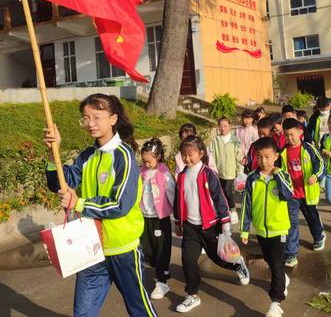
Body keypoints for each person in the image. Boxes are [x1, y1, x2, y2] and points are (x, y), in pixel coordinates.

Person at [44, 94, 158, 317]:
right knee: (83, 313)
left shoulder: (123, 156)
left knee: (139, 310)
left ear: (113, 119)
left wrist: (79, 203)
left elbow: (120, 204)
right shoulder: (87, 156)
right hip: (91, 250)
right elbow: (60, 182)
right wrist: (52, 151)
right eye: (86, 118)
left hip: (123, 250)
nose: (90, 124)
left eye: (97, 117)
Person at [174, 135, 250, 313]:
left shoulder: (208, 174)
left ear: (201, 153)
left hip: (210, 225)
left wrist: (225, 221)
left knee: (219, 258)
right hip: (190, 227)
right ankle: (192, 295)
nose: (187, 158)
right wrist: (178, 221)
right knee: (187, 259)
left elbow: (219, 197)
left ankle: (238, 265)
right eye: (184, 154)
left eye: (191, 154)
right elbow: (179, 200)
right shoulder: (182, 176)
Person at [240, 137, 293, 317]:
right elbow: (246, 204)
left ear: (276, 156)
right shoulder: (252, 178)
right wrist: (245, 229)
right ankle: (283, 280)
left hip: (279, 229)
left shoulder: (282, 175)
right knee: (271, 262)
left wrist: (277, 174)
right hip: (261, 230)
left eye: (268, 157)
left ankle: (275, 303)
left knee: (277, 266)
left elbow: (287, 195)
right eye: (260, 157)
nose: (264, 161)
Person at [280, 118, 326, 268]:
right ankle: (291, 253)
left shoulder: (309, 149)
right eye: (286, 135)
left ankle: (319, 236)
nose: (289, 138)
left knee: (311, 217)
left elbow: (320, 164)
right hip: (291, 195)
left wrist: (316, 176)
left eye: (292, 134)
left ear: (300, 132)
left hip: (308, 193)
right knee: (291, 224)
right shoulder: (283, 152)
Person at [140, 138, 175, 300]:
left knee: (162, 250)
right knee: (147, 248)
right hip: (144, 217)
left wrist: (179, 218)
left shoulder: (164, 173)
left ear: (158, 157)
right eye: (144, 161)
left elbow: (172, 195)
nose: (146, 164)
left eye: (149, 161)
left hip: (160, 218)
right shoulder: (142, 172)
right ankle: (159, 270)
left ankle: (162, 281)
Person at [210, 117, 243, 224]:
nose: (223, 128)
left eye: (225, 126)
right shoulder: (215, 140)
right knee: (222, 191)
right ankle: (225, 210)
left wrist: (239, 171)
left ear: (229, 126)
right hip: (219, 171)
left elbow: (238, 155)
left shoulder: (235, 140)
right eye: (221, 126)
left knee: (228, 190)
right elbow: (211, 154)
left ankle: (233, 211)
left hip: (231, 171)